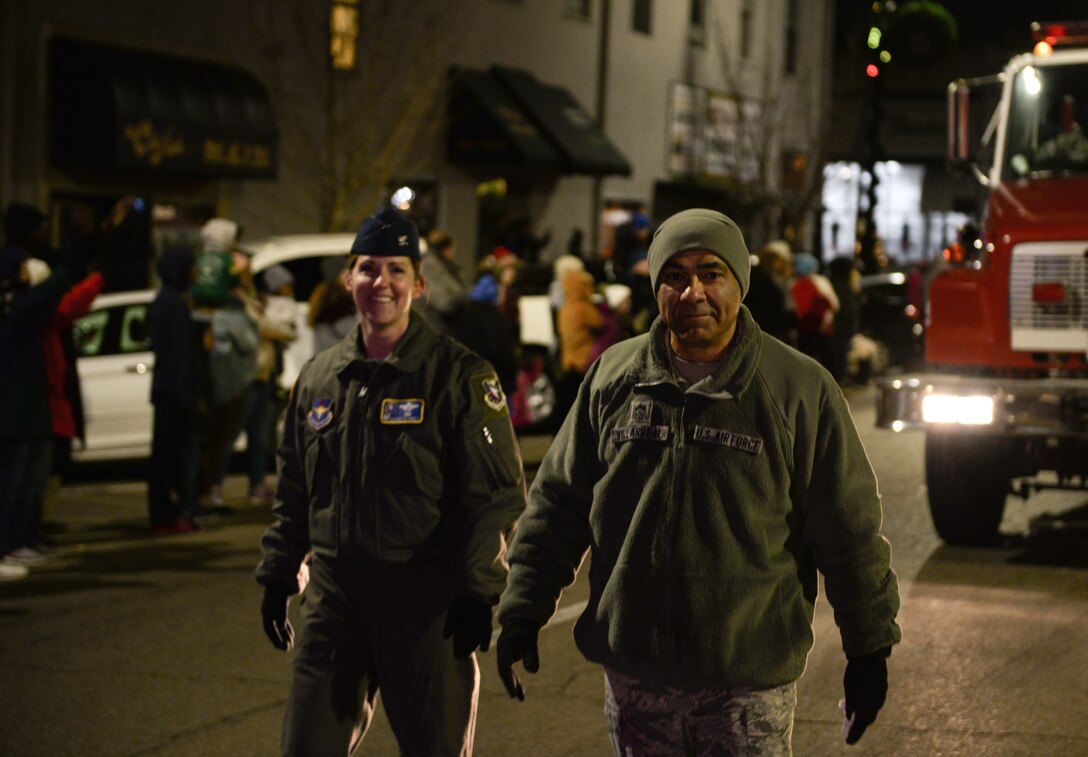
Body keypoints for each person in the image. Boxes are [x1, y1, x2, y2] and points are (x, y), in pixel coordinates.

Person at [495, 208, 901, 754]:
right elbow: (558, 504)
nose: (692, 293)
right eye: (674, 276)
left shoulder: (798, 389)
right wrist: (523, 607)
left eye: (711, 273)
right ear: (657, 285)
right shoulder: (614, 380)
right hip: (637, 682)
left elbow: (849, 529)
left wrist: (868, 648)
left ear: (739, 283)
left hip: (743, 691)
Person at [256, 206, 527, 756]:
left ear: (419, 285)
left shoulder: (459, 375)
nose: (381, 283)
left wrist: (479, 588)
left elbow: (494, 496)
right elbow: (295, 490)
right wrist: (280, 570)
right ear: (348, 279)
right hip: (335, 601)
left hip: (424, 604)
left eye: (396, 270)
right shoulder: (319, 378)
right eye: (368, 269)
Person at [0, 246, 70, 578]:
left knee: (29, 484)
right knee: (13, 485)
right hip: (15, 415)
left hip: (29, 411)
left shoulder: (26, 308)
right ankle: (9, 545)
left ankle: (22, 539)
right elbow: (53, 290)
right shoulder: (17, 306)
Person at [147, 246, 200, 535]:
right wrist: (186, 395)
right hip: (172, 391)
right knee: (167, 457)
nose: (194, 273)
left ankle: (167, 514)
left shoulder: (168, 300)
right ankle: (163, 516)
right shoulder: (172, 303)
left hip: (168, 389)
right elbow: (178, 355)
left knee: (168, 456)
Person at [790, 252, 839, 372]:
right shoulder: (821, 282)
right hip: (821, 327)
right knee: (825, 363)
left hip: (802, 328)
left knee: (804, 362)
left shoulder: (793, 283)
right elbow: (834, 305)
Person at [417, 228, 466, 334]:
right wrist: (461, 300)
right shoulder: (429, 266)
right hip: (434, 329)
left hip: (440, 329)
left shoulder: (440, 266)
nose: (453, 252)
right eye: (452, 248)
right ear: (445, 249)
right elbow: (445, 302)